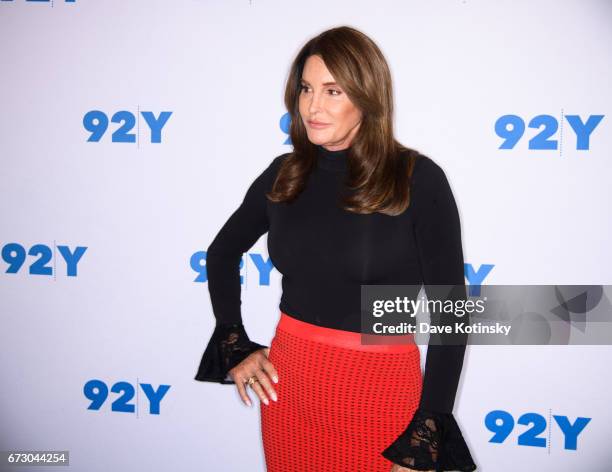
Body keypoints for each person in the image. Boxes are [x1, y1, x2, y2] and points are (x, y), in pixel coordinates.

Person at [195, 25, 477, 472]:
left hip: (382, 397)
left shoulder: (416, 178)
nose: (313, 105)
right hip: (291, 389)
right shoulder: (284, 174)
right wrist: (234, 342)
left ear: (366, 97)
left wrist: (428, 427)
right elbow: (221, 253)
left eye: (333, 91)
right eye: (306, 89)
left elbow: (451, 311)